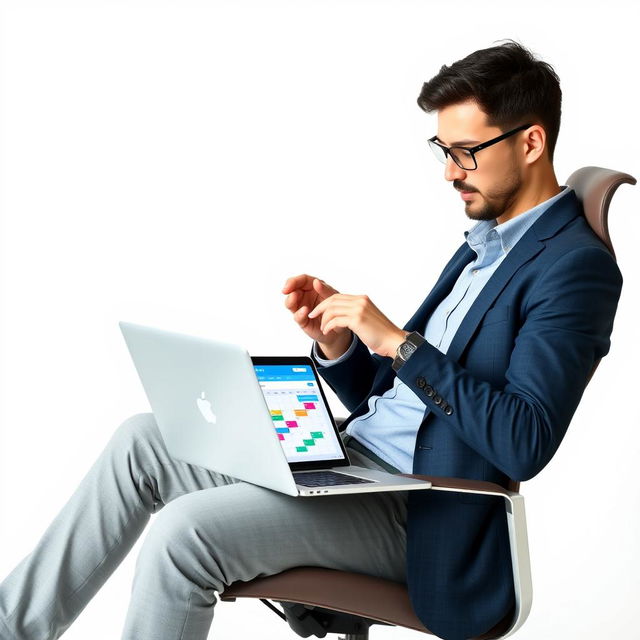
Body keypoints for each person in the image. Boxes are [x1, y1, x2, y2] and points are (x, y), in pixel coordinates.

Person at [0, 39, 622, 640]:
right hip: (357, 466)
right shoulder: (487, 243)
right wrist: (343, 345)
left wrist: (400, 342)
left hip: (424, 514)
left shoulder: (573, 268)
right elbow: (406, 399)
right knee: (142, 439)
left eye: (466, 152)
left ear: (532, 141)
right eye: (443, 151)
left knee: (185, 533)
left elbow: (524, 441)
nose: (450, 174)